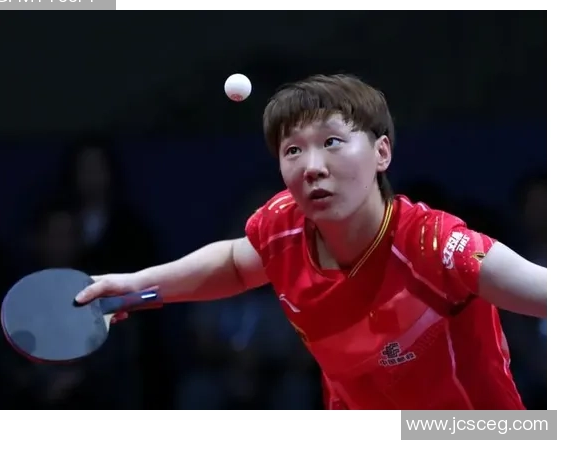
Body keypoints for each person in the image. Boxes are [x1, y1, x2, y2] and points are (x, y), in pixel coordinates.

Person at [76, 74, 547, 410]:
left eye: (332, 142)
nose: (312, 167)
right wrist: (135, 284)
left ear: (382, 152)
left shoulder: (433, 244)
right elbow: (237, 264)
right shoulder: (283, 226)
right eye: (292, 150)